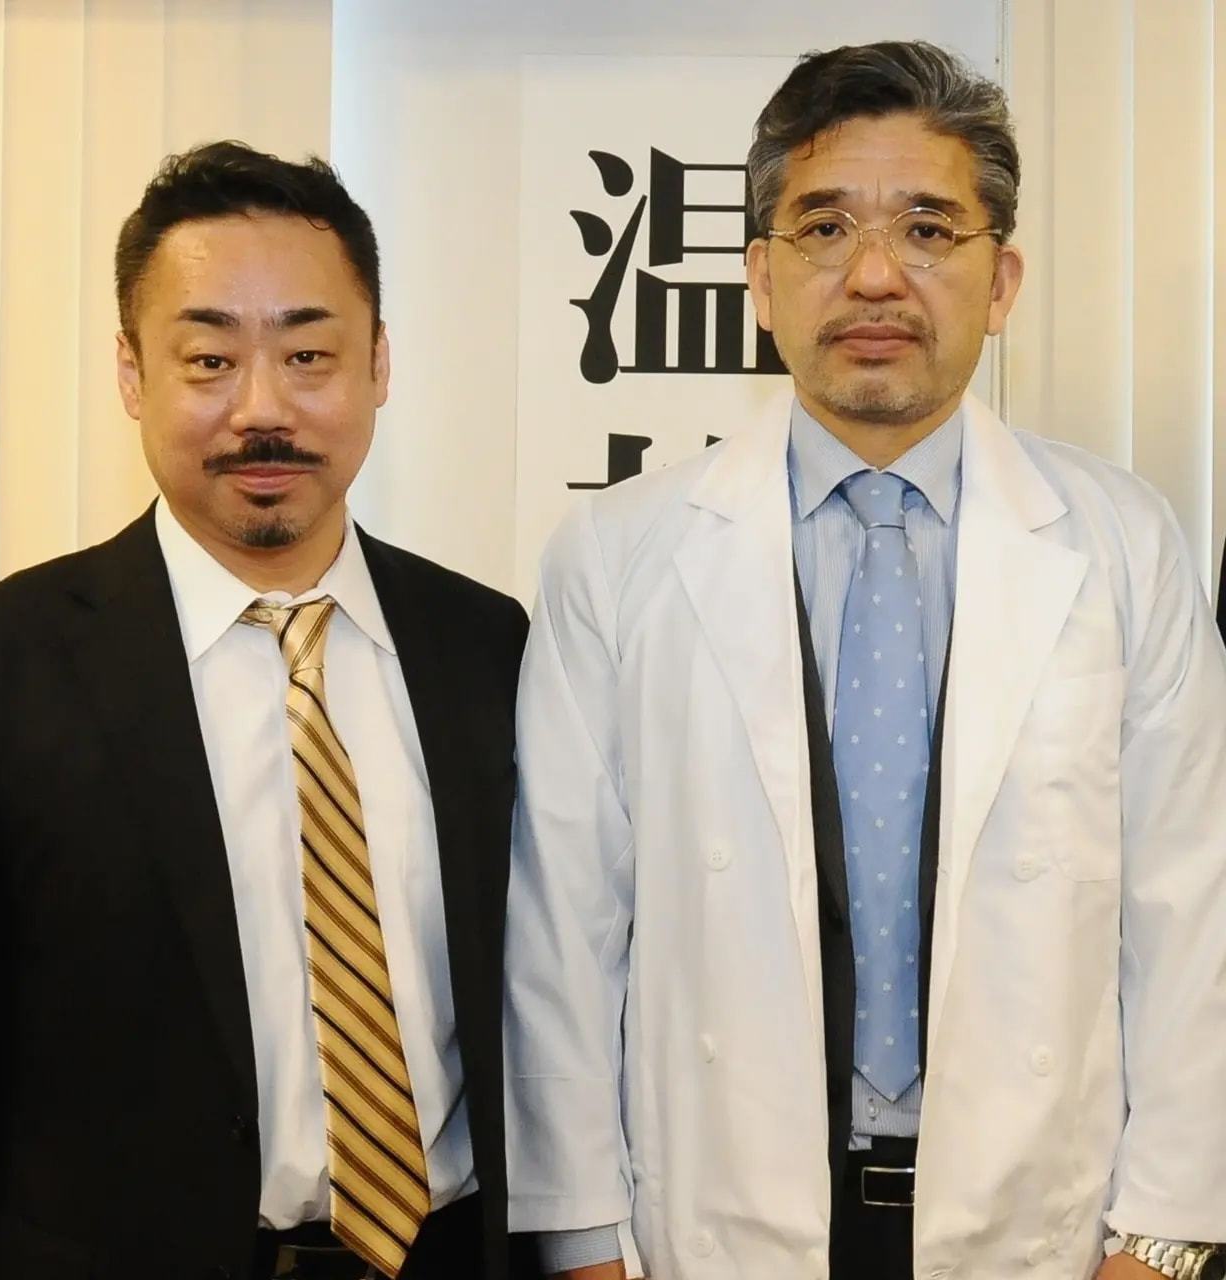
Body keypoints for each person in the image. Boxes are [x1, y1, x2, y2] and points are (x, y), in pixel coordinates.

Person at [505, 41, 1226, 1280]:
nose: (875, 275)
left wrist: (1158, 1243)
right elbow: (563, 934)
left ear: (999, 280)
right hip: (709, 1227)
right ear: (759, 278)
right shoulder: (616, 554)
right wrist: (581, 1243)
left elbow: (1189, 913)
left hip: (1045, 1230)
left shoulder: (1121, 545)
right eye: (824, 228)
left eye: (928, 231)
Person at [0, 141, 534, 1280]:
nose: (263, 410)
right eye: (209, 359)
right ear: (133, 375)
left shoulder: (488, 646)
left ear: (379, 363)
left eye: (309, 355)